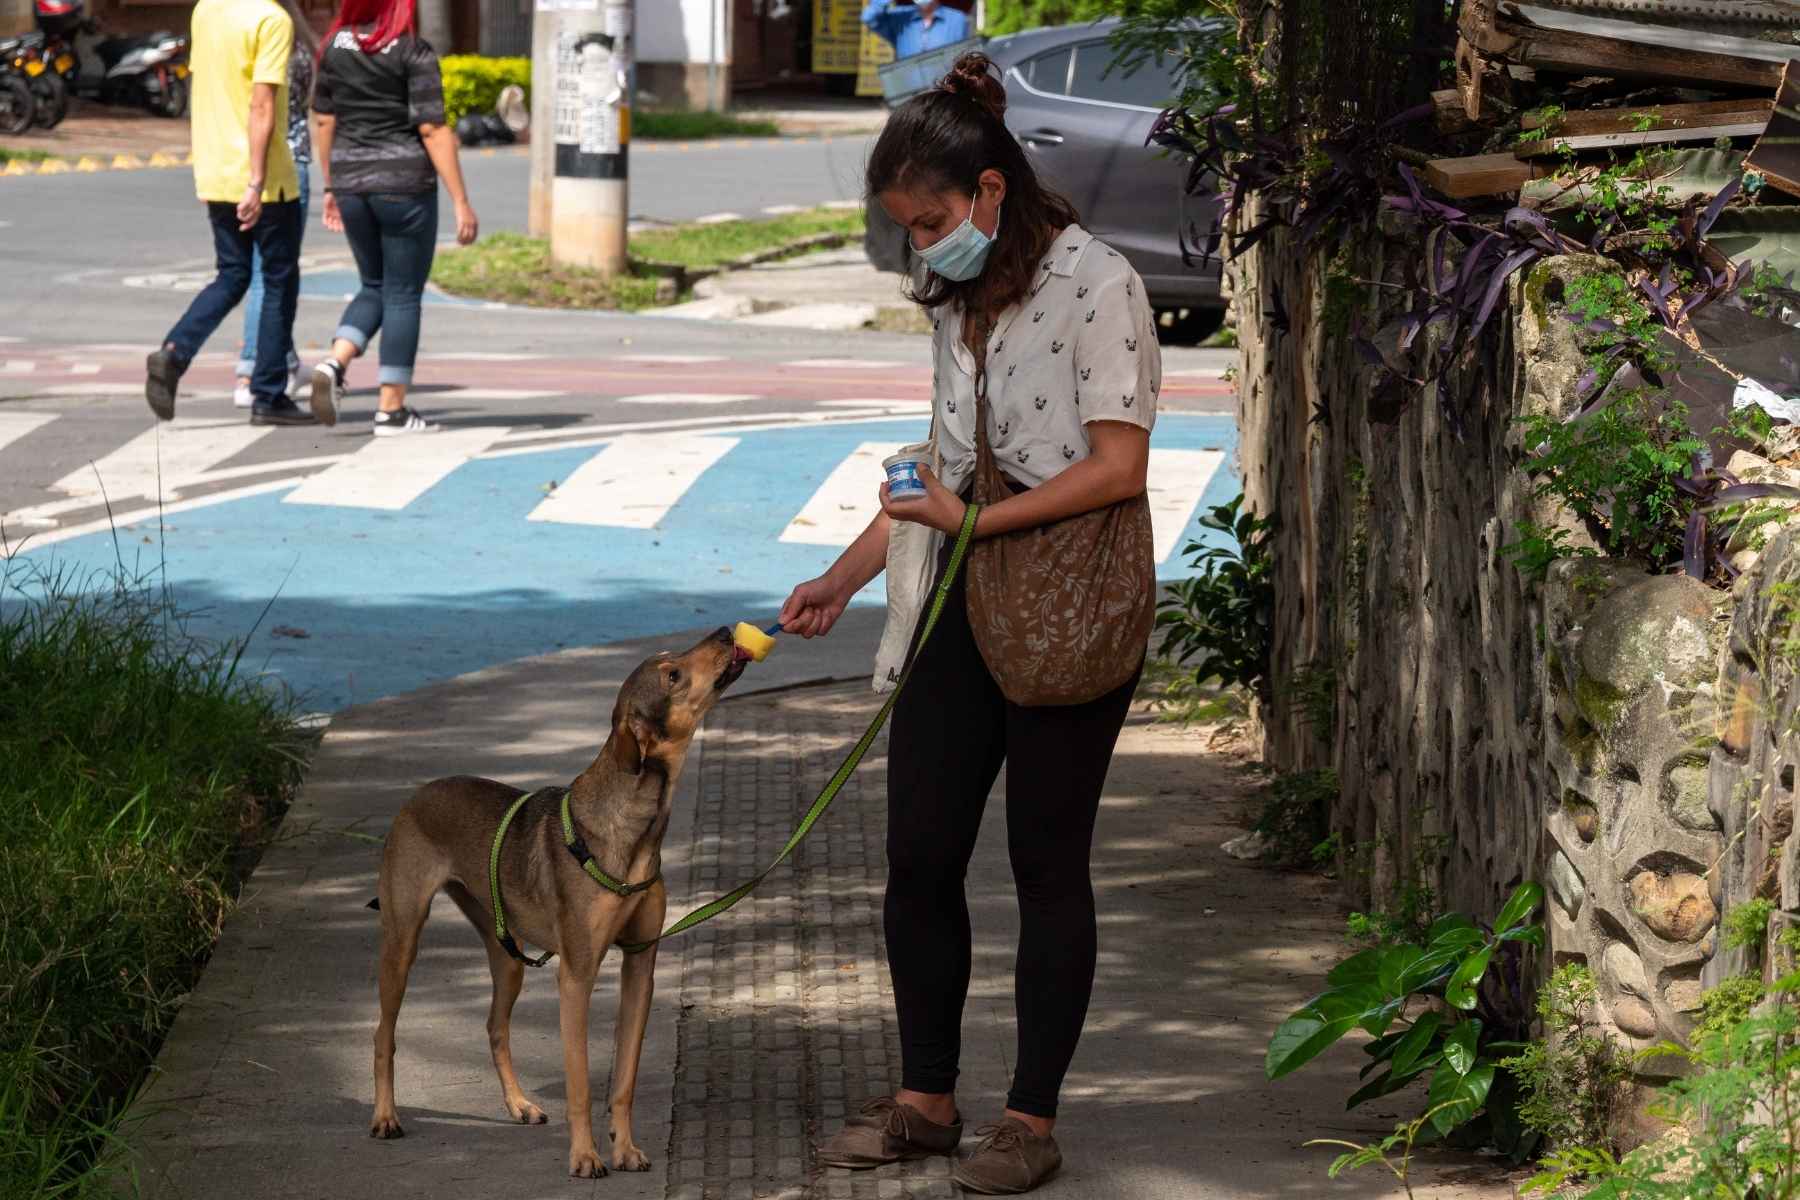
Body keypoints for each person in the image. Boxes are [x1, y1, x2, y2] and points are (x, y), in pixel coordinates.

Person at [778, 53, 1161, 1197]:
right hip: (955, 589)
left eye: (933, 220)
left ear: (991, 193)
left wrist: (974, 519)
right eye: (906, 227)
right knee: (918, 855)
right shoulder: (960, 297)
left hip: (1070, 603)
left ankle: (1030, 1122)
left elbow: (1118, 469)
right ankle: (926, 1100)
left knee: (1046, 866)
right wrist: (847, 575)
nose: (921, 245)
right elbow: (941, 463)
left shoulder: (1104, 287)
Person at [307, 0, 477, 435]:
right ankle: (392, 409)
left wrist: (331, 185)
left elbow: (324, 121)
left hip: (350, 182)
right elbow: (432, 129)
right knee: (402, 294)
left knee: (374, 285)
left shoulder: (333, 48)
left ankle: (335, 360)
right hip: (404, 185)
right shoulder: (412, 51)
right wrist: (460, 200)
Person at [145, 0, 311, 426]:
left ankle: (174, 353)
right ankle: (269, 393)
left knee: (233, 273)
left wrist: (210, 168)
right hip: (264, 177)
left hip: (217, 169)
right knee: (277, 279)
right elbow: (261, 104)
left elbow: (207, 94)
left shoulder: (208, 10)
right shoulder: (271, 20)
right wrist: (255, 181)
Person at [233, 0, 316, 411]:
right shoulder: (280, 32)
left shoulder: (239, 27)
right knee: (272, 274)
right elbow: (278, 104)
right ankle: (252, 369)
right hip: (283, 162)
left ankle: (281, 358)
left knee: (267, 273)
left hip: (245, 162)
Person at [860, 0, 974, 275]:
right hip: (906, 111)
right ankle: (898, 253)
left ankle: (940, 246)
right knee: (900, 178)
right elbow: (870, 16)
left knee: (934, 180)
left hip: (941, 112)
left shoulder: (956, 20)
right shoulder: (900, 19)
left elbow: (964, 59)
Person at [861, 0, 970, 58]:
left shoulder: (957, 18)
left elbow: (964, 54)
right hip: (907, 87)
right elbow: (868, 17)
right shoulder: (900, 15)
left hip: (943, 90)